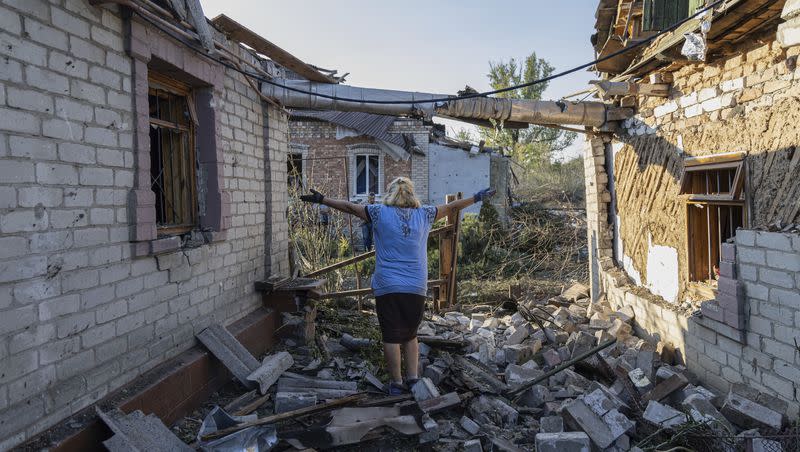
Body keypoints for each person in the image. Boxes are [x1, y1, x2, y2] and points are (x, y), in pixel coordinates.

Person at [300, 177, 495, 395]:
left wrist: (323, 199)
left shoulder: (377, 212)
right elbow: (452, 208)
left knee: (391, 335)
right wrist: (476, 198)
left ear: (390, 194)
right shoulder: (425, 214)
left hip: (387, 285)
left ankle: (396, 384)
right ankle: (413, 379)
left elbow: (348, 207)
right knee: (411, 334)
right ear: (412, 194)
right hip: (415, 286)